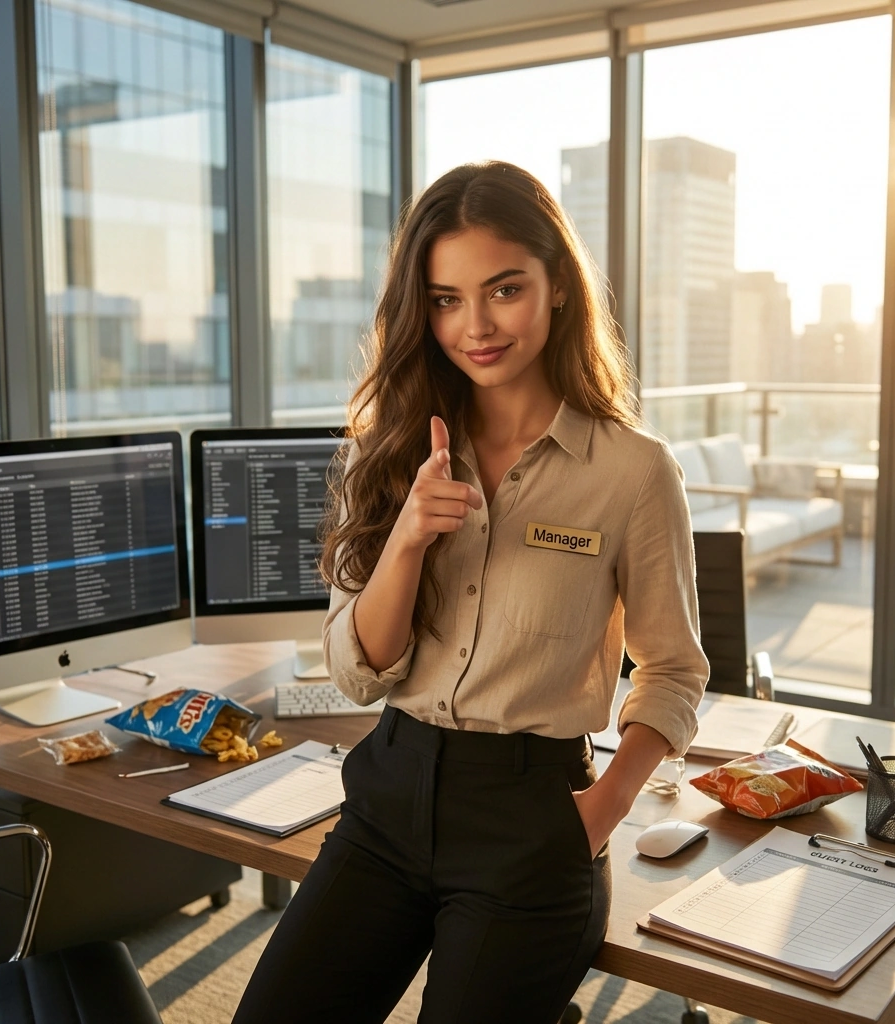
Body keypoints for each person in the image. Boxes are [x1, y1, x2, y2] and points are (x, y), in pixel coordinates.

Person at [232, 161, 708, 1024]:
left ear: (557, 287)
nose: (475, 325)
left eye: (504, 289)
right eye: (446, 299)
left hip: (531, 822)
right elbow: (356, 675)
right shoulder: (384, 451)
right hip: (386, 798)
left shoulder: (633, 472)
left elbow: (673, 672)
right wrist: (408, 538)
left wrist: (598, 817)